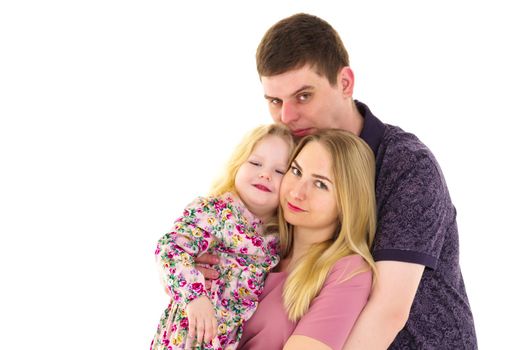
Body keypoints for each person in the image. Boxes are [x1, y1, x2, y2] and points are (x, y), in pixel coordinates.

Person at [253, 13, 477, 349]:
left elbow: (387, 312)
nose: (287, 116)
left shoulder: (407, 166)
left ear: (344, 83)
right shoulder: (292, 150)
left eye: (303, 96)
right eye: (275, 101)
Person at [150, 124, 294, 350]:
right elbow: (170, 249)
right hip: (191, 334)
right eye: (255, 163)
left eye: (280, 171)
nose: (265, 174)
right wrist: (194, 297)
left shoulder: (280, 237)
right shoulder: (216, 212)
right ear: (237, 165)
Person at [238, 129, 378, 350]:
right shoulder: (257, 244)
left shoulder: (348, 272)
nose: (297, 192)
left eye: (321, 184)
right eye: (295, 171)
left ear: (347, 203)